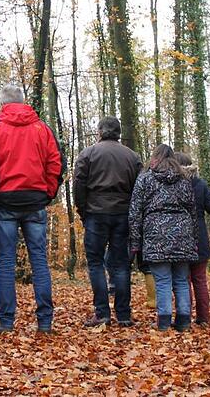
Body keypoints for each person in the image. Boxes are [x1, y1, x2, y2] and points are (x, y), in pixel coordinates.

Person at [0, 85, 65, 334]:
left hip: (5, 200)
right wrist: (47, 192)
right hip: (34, 198)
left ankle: (6, 321)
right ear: (23, 101)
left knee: (5, 261)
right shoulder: (42, 129)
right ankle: (44, 321)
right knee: (39, 261)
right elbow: (56, 163)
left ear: (2, 103)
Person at [73, 116, 142, 327]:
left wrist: (83, 210)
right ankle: (123, 314)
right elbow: (139, 188)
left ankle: (102, 313)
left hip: (96, 213)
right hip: (122, 213)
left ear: (100, 132)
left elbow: (78, 185)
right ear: (119, 133)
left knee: (95, 263)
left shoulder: (88, 154)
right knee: (121, 265)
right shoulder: (132, 156)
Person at [129, 145, 198, 332]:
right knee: (182, 280)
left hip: (156, 234)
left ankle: (164, 321)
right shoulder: (184, 180)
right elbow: (193, 211)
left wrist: (135, 241)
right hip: (183, 233)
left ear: (155, 158)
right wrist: (193, 238)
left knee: (162, 280)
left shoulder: (145, 179)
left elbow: (135, 212)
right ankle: (184, 321)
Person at [174, 152, 210, 325]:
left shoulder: (172, 185)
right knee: (200, 280)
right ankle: (203, 318)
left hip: (179, 237)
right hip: (200, 237)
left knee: (183, 280)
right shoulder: (199, 184)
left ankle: (184, 317)